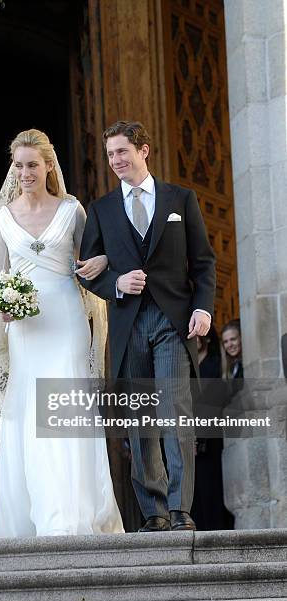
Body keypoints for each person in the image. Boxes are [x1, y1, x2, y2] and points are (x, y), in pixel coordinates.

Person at [0, 128, 123, 537]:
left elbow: (87, 261)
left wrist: (103, 260)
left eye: (32, 164)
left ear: (48, 165)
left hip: (66, 318)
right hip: (25, 328)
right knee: (29, 410)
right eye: (18, 165)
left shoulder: (72, 209)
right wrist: (3, 307)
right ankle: (31, 513)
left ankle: (68, 514)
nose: (25, 172)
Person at [78, 120, 216, 532]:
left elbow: (205, 262)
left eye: (122, 151)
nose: (116, 161)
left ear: (144, 150)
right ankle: (153, 512)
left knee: (176, 414)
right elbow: (85, 270)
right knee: (141, 421)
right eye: (110, 155)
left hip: (174, 322)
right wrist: (114, 283)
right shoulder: (101, 210)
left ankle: (179, 510)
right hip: (129, 325)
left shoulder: (181, 199)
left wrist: (204, 309)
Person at [191, 326, 234, 530]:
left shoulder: (216, 364)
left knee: (212, 488)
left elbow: (216, 403)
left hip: (211, 437)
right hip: (190, 438)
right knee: (194, 492)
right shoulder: (187, 366)